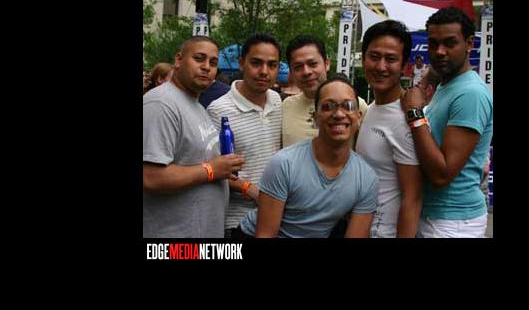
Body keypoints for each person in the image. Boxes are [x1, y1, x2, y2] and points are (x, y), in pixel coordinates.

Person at [237, 75, 378, 238]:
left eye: (348, 106)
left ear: (359, 117)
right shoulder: (284, 164)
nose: (339, 114)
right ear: (315, 118)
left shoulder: (366, 178)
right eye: (328, 106)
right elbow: (265, 234)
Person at [402, 6, 493, 238]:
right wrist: (426, 81)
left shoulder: (470, 94)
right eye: (433, 44)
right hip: (438, 217)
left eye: (450, 43)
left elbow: (441, 174)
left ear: (469, 43)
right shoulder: (449, 83)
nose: (440, 51)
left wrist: (414, 113)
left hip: (452, 222)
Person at [143, 36, 245, 238]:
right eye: (199, 59)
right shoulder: (161, 104)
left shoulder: (195, 104)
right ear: (179, 60)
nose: (206, 67)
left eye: (213, 63)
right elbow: (150, 177)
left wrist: (223, 168)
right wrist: (211, 170)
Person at [207, 33, 283, 238]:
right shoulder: (219, 110)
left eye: (272, 65)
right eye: (256, 63)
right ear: (242, 63)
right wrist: (247, 188)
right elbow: (209, 170)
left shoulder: (277, 101)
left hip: (276, 219)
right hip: (237, 221)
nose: (264, 71)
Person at [356, 20, 423, 237]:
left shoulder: (404, 119)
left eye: (391, 59)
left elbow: (412, 198)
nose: (381, 66)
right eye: (374, 57)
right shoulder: (371, 108)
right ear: (363, 59)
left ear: (404, 66)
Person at [282, 35, 368, 148]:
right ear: (291, 72)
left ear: (326, 64)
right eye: (298, 67)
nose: (306, 72)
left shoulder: (355, 105)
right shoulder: (285, 107)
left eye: (312, 64)